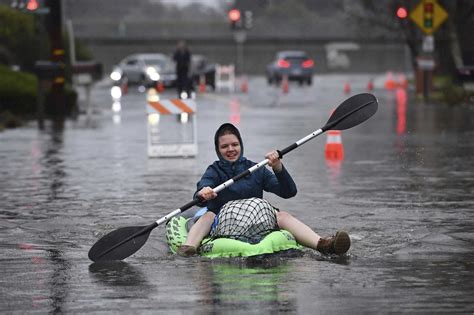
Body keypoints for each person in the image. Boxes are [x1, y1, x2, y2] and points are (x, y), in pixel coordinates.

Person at [177, 123, 351, 257]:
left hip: (257, 219)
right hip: (224, 222)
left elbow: (289, 192)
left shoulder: (256, 169)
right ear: (218, 150)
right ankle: (189, 248)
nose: (230, 149)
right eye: (225, 146)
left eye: (234, 144)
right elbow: (201, 188)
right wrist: (203, 192)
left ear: (240, 145)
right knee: (208, 215)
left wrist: (278, 167)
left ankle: (324, 244)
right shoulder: (214, 171)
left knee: (282, 215)